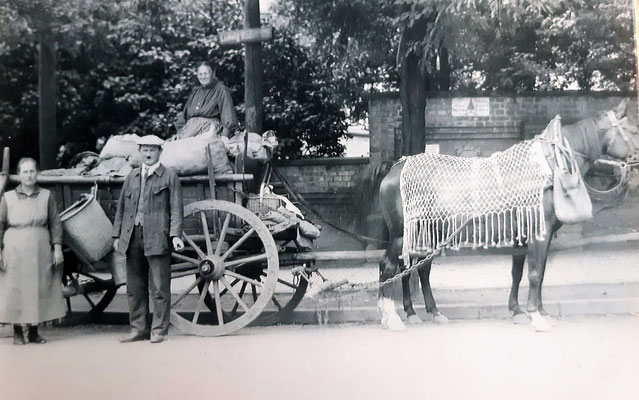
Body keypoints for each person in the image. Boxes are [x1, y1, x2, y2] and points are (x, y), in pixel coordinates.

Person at [112, 135, 185, 343]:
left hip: (157, 237)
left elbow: (177, 209)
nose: (148, 153)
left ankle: (159, 330)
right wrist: (117, 235)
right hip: (132, 237)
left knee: (160, 288)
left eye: (152, 150)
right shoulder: (132, 177)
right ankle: (138, 329)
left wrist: (175, 235)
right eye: (144, 150)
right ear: (140, 152)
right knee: (134, 288)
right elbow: (121, 210)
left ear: (160, 152)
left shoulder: (169, 176)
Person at [0, 158, 65, 345]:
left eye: (32, 171)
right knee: (15, 288)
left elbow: (55, 222)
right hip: (14, 249)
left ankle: (35, 332)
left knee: (39, 288)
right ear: (18, 175)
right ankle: (18, 331)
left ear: (37, 173)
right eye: (25, 172)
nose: (29, 175)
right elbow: (0, 225)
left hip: (40, 249)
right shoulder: (8, 197)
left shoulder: (47, 195)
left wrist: (58, 248)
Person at [173, 61, 238, 142]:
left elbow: (229, 116)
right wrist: (179, 133)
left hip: (209, 131)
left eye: (206, 73)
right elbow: (184, 117)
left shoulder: (221, 90)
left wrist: (224, 138)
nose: (203, 77)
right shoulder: (196, 91)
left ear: (213, 74)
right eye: (200, 74)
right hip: (190, 130)